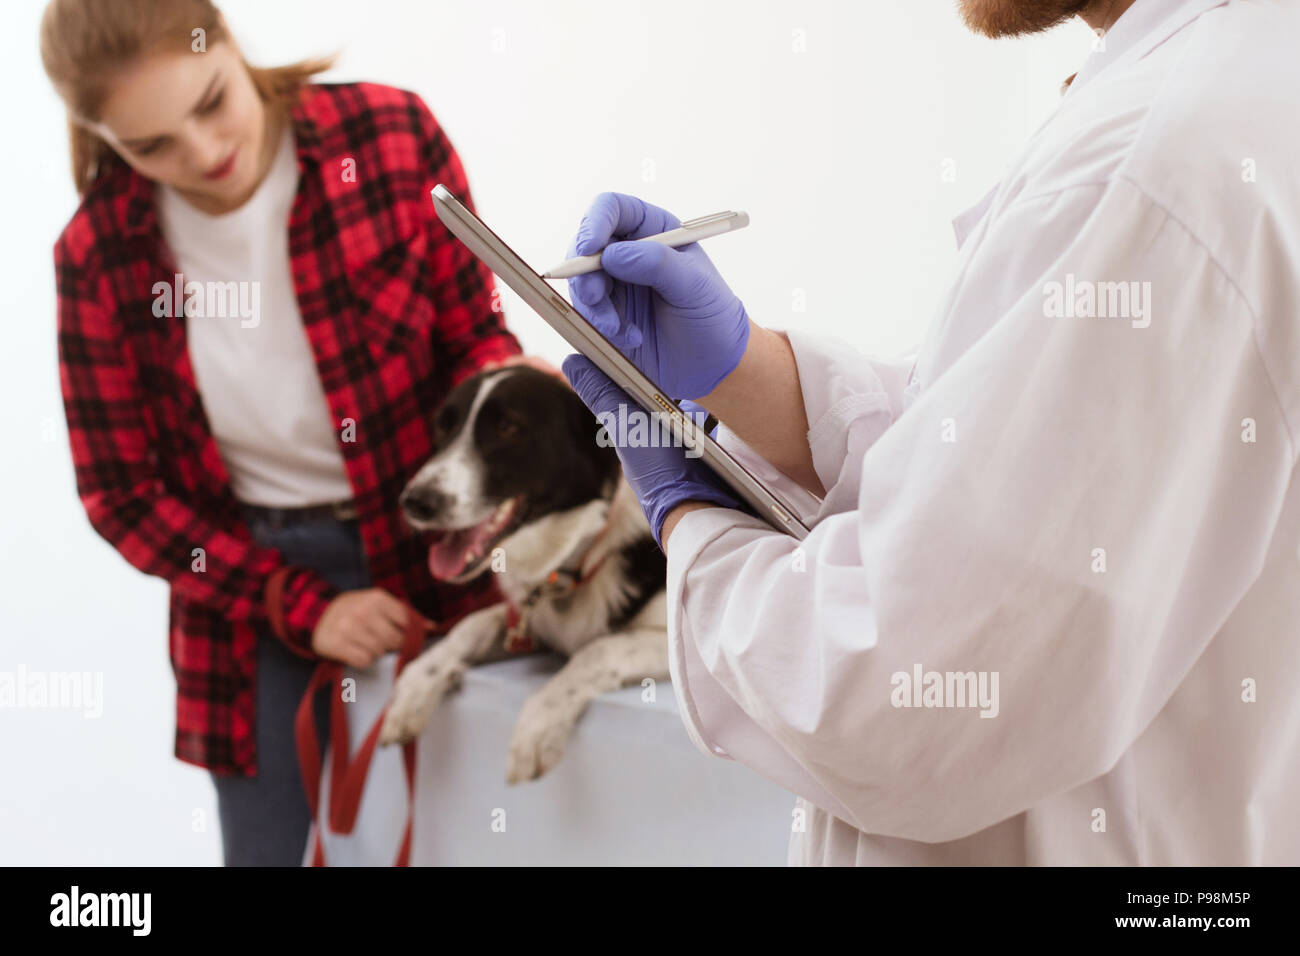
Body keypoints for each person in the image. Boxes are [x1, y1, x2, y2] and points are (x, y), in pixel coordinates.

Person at [561, 0, 1300, 865]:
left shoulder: (1153, 158)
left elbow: (902, 698)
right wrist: (747, 372)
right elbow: (1004, 458)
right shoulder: (1247, 80)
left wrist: (689, 514)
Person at [41, 0, 522, 865]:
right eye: (150, 146)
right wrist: (302, 606)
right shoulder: (97, 255)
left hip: (443, 545)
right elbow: (122, 495)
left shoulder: (392, 136)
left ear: (227, 41)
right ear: (100, 137)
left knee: (490, 830)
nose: (202, 154)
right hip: (249, 593)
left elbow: (474, 334)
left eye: (210, 101)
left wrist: (511, 409)